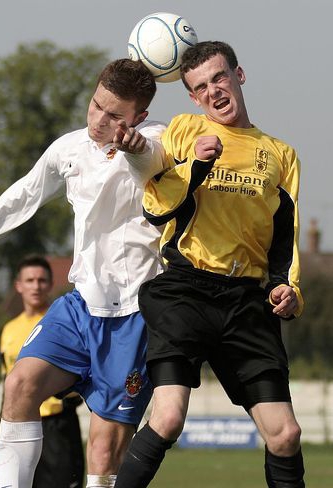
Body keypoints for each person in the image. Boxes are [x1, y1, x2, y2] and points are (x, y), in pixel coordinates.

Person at [0, 58, 167, 488]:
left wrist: (137, 149)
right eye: (96, 105)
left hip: (133, 316)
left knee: (104, 453)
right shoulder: (68, 149)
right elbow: (25, 194)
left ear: (139, 116)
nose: (99, 119)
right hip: (80, 306)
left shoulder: (158, 139)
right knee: (19, 385)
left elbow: (152, 160)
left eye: (114, 115)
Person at [114, 41, 305, 488]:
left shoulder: (281, 154)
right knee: (168, 418)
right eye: (201, 87)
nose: (213, 90)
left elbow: (287, 234)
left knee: (285, 435)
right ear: (193, 97)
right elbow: (155, 205)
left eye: (219, 77)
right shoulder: (184, 130)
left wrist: (289, 288)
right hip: (185, 291)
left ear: (239, 75)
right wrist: (195, 165)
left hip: (246, 301)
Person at [0, 254, 84, 488]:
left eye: (41, 280)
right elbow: (7, 385)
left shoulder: (64, 323)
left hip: (58, 426)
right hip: (17, 424)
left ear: (50, 284)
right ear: (18, 285)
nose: (36, 286)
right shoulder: (9, 330)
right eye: (30, 280)